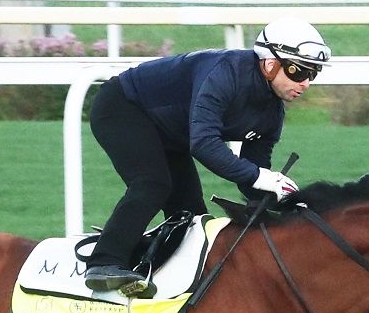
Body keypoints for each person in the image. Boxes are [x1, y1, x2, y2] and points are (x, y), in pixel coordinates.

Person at [83, 17, 333, 297]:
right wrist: (262, 177)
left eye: (313, 74)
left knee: (191, 216)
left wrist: (281, 200)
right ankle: (104, 263)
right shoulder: (225, 74)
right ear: (269, 63)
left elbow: (253, 176)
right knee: (152, 184)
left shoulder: (272, 114)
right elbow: (203, 144)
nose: (306, 83)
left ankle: (146, 268)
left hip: (170, 131)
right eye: (298, 71)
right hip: (122, 107)